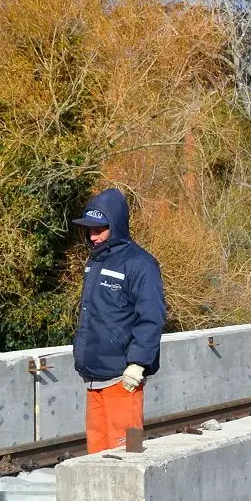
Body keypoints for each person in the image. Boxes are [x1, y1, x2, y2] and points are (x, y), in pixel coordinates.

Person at [72, 188, 166, 452]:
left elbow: (152, 317)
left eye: (100, 229)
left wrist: (138, 364)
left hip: (124, 380)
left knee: (129, 450)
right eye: (90, 230)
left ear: (116, 226)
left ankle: (133, 494)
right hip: (93, 377)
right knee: (96, 456)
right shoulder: (95, 262)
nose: (94, 236)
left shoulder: (141, 264)